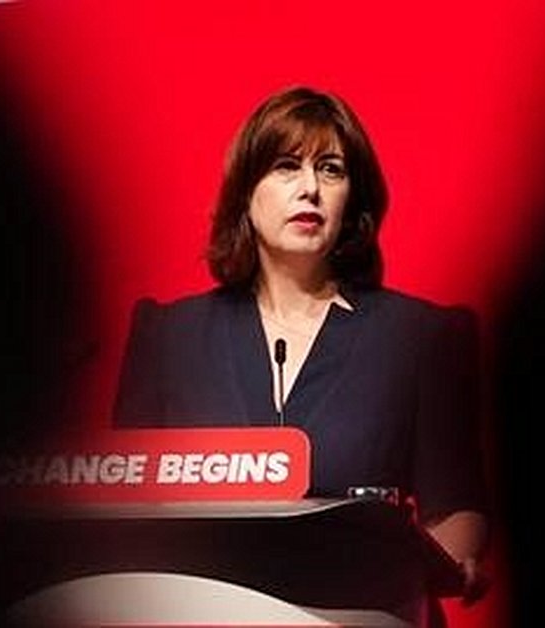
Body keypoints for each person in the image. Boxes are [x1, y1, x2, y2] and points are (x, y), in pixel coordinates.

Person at [112, 86, 489, 612]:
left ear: (351, 200)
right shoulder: (169, 337)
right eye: (287, 166)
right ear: (247, 191)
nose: (310, 188)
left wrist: (451, 558)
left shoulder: (422, 337)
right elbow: (125, 511)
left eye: (331, 170)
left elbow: (455, 508)